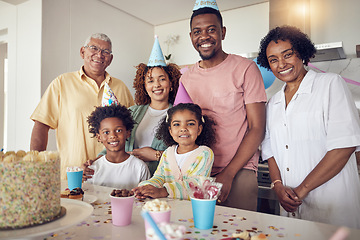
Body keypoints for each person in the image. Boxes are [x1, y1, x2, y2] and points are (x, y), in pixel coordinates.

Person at [257, 25, 360, 228]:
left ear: (302, 54)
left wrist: (301, 190)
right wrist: (278, 186)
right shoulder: (274, 102)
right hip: (290, 206)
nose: (281, 64)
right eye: (273, 60)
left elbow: (344, 146)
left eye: (288, 55)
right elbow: (269, 150)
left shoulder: (330, 84)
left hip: (332, 203)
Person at [178, 1, 267, 210]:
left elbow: (257, 128)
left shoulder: (245, 69)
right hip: (197, 170)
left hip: (239, 170)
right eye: (197, 31)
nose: (204, 37)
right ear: (191, 36)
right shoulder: (185, 78)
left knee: (239, 230)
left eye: (211, 30)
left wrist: (229, 173)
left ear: (223, 32)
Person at [30, 33, 134, 179]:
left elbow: (131, 131)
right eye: (94, 48)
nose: (99, 54)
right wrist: (36, 166)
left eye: (105, 52)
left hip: (114, 176)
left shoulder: (121, 87)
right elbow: (41, 124)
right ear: (82, 52)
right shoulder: (61, 83)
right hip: (72, 175)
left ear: (110, 59)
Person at [93, 36, 181, 176]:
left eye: (162, 79)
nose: (156, 85)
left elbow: (187, 154)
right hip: (128, 178)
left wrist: (156, 155)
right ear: (144, 86)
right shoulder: (132, 112)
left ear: (171, 84)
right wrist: (95, 161)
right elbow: (114, 142)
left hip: (160, 182)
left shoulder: (179, 117)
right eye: (150, 81)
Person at [132, 103, 216, 200]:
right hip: (167, 207)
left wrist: (163, 191)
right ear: (170, 131)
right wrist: (146, 187)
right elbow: (159, 177)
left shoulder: (204, 153)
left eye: (190, 124)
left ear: (199, 129)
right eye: (177, 124)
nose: (183, 129)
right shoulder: (168, 153)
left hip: (190, 209)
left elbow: (196, 185)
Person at [85, 104, 150, 189]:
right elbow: (89, 197)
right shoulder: (93, 168)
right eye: (106, 132)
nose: (113, 136)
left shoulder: (140, 167)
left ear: (128, 133)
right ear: (99, 137)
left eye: (118, 130)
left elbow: (146, 199)